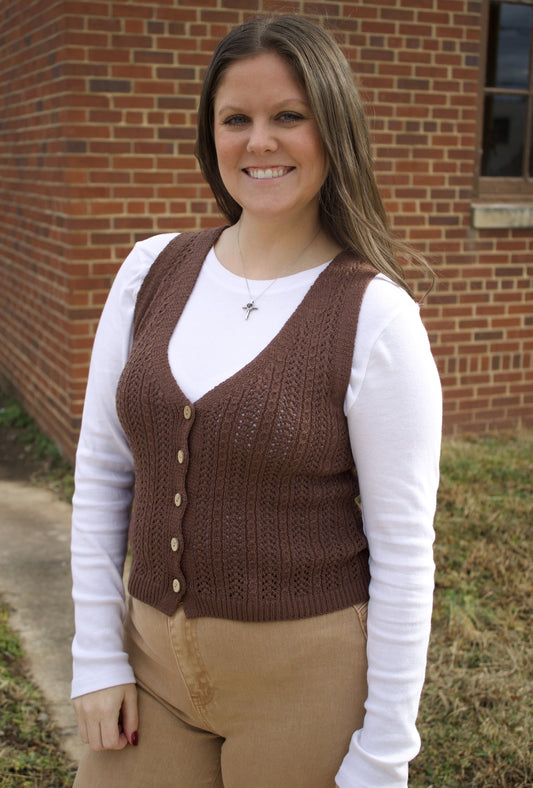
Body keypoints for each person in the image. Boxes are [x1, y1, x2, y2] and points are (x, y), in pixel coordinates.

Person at [70, 14, 442, 788]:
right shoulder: (150, 271)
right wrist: (96, 656)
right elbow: (104, 470)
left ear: (331, 130)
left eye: (287, 117)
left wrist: (382, 757)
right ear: (210, 137)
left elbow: (404, 553)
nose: (258, 142)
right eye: (235, 119)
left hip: (305, 689)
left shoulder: (373, 317)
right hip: (148, 677)